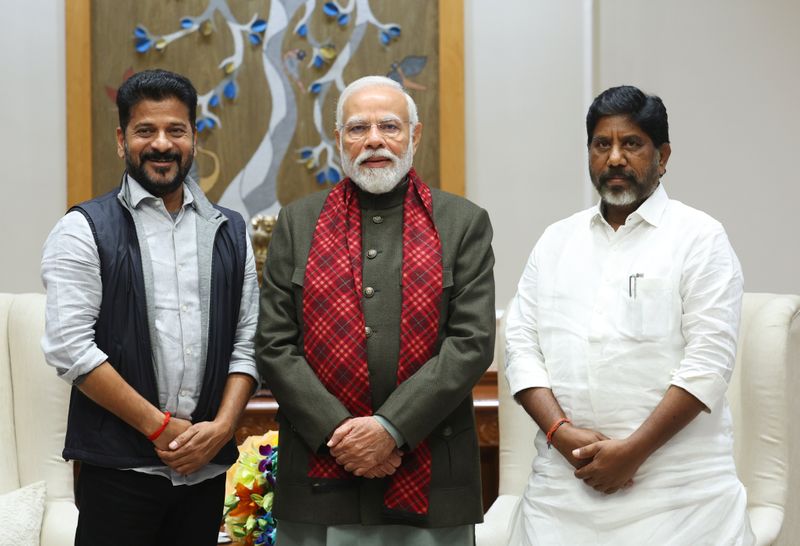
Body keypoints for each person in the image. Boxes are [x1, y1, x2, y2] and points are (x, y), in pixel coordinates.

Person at [505, 85, 755, 545]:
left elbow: (709, 364)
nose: (615, 158)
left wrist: (632, 453)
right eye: (603, 144)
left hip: (679, 498)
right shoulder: (556, 241)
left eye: (632, 144)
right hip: (564, 491)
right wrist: (562, 435)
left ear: (663, 156)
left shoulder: (700, 237)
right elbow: (520, 348)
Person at [256, 75, 495, 544]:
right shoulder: (297, 222)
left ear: (415, 135)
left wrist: (391, 428)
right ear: (338, 139)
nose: (374, 141)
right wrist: (343, 435)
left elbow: (471, 343)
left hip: (432, 478)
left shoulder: (463, 223)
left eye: (389, 126)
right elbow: (274, 345)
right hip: (320, 477)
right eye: (357, 128)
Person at [41, 69, 259, 546]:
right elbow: (70, 348)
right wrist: (158, 427)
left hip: (203, 473)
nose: (162, 144)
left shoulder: (232, 231)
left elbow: (247, 342)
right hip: (118, 471)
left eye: (175, 130)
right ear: (122, 140)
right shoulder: (82, 229)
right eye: (145, 130)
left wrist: (220, 429)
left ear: (194, 138)